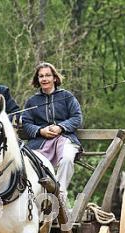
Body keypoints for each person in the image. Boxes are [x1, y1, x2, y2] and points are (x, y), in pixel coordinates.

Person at [21, 62, 83, 205]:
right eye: (41, 76)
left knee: (67, 158)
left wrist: (61, 127)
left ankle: (59, 195)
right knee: (29, 163)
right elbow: (26, 123)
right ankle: (35, 199)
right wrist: (40, 130)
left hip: (65, 138)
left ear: (54, 78)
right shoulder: (32, 101)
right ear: (37, 79)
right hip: (40, 142)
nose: (44, 79)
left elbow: (77, 118)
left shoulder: (67, 97)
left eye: (48, 75)